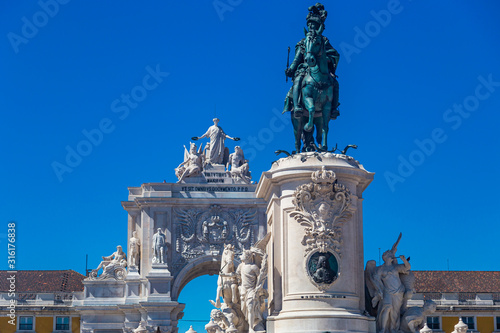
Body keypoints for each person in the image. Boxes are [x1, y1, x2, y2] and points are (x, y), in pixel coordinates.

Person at [284, 3, 340, 119]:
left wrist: (327, 60)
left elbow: (334, 54)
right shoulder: (303, 42)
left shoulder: (324, 41)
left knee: (335, 83)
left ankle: (334, 108)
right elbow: (297, 58)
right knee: (298, 80)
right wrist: (291, 69)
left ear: (318, 26)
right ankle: (297, 106)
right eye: (309, 26)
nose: (311, 28)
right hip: (305, 68)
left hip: (321, 68)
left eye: (313, 25)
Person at [372, 250, 411, 333]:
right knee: (387, 307)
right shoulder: (380, 269)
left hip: (398, 292)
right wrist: (379, 291)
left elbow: (407, 267)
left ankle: (393, 329)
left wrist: (404, 260)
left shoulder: (395, 267)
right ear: (385, 257)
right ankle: (382, 328)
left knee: (395, 312)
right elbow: (375, 280)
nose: (391, 256)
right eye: (390, 255)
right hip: (387, 292)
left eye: (391, 255)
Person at [237, 250, 266, 333]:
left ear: (247, 256)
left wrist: (259, 288)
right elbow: (237, 276)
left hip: (251, 290)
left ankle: (251, 328)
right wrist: (239, 286)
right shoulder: (240, 266)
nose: (240, 256)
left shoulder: (254, 267)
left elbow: (260, 278)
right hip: (243, 291)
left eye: (242, 254)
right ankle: (249, 323)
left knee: (250, 309)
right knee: (243, 309)